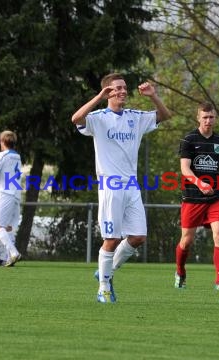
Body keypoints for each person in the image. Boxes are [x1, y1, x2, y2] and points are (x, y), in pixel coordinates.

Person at [71, 73, 172, 303]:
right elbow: (76, 119)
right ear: (108, 92)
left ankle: (106, 272)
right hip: (110, 186)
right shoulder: (98, 118)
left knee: (138, 237)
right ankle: (103, 287)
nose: (122, 91)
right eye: (117, 88)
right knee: (111, 239)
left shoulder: (134, 117)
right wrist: (98, 97)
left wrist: (154, 96)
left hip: (131, 186)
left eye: (124, 88)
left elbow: (165, 116)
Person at [174, 102, 219, 292]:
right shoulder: (189, 139)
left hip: (215, 197)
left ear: (215, 118)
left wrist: (216, 187)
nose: (208, 120)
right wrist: (200, 183)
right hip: (192, 198)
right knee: (186, 240)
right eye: (204, 117)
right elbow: (184, 168)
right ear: (198, 118)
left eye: (211, 117)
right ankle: (180, 271)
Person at [0, 130, 22, 267]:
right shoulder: (17, 156)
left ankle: (13, 252)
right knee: (8, 227)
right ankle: (9, 257)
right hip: (16, 193)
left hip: (4, 192)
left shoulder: (2, 155)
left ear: (2, 141)